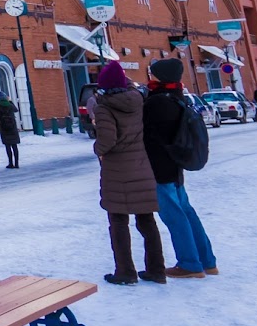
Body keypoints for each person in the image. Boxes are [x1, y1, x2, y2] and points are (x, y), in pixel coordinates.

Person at [90, 61, 167, 285]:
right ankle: (156, 269)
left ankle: (125, 271)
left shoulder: (104, 108)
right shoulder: (138, 102)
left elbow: (107, 140)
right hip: (141, 166)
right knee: (147, 221)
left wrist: (97, 149)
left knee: (118, 222)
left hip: (117, 171)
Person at [142, 59, 217, 280]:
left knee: (174, 215)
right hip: (175, 167)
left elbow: (148, 133)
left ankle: (190, 263)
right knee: (186, 211)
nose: (150, 76)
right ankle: (207, 260)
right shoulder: (176, 97)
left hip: (159, 167)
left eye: (153, 73)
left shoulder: (157, 103)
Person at [0, 94, 22, 169]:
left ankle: (10, 163)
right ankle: (16, 163)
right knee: (14, 146)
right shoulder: (10, 106)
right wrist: (10, 101)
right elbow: (16, 110)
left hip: (4, 128)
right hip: (12, 128)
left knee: (8, 146)